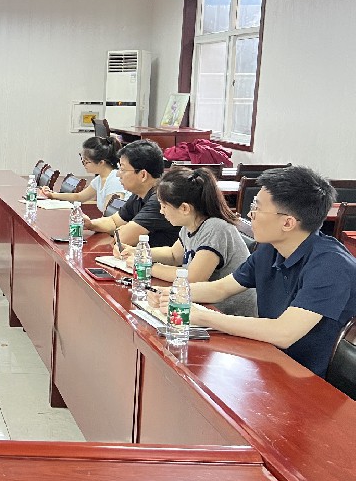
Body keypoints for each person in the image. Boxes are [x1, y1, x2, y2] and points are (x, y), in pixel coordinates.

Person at [149, 166, 356, 378]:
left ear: (287, 222)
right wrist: (173, 294)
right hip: (271, 358)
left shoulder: (331, 266)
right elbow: (221, 289)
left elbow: (284, 332)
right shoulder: (270, 249)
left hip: (311, 379)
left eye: (256, 208)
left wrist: (204, 316)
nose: (249, 215)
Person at [122, 166, 257, 316]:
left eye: (164, 206)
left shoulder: (215, 228)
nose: (161, 211)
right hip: (203, 306)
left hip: (228, 314)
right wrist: (138, 252)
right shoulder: (190, 225)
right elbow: (174, 255)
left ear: (185, 208)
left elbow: (192, 278)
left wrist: (147, 267)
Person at [84, 139, 180, 247]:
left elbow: (123, 239)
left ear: (143, 175)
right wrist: (90, 224)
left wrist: (123, 229)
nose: (118, 174)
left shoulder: (159, 200)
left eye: (123, 169)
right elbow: (114, 221)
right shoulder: (138, 195)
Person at [39, 136, 127, 213]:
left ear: (101, 162)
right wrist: (52, 195)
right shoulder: (100, 178)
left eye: (86, 162)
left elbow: (110, 216)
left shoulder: (115, 180)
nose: (84, 165)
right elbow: (79, 196)